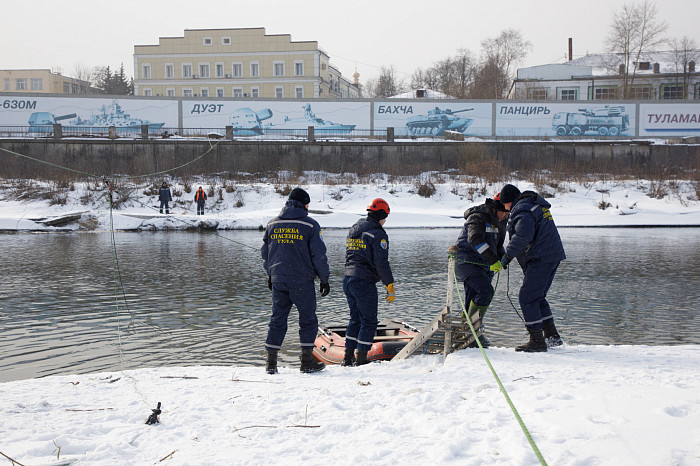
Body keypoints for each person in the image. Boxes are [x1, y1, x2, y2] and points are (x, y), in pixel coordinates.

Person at [261, 187, 330, 374]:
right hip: (302, 281)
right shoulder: (310, 225)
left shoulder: (272, 224)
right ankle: (306, 361)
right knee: (307, 320)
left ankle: (271, 364)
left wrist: (270, 275)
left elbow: (266, 255)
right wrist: (324, 279)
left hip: (278, 281)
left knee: (277, 319)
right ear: (305, 204)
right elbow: (319, 256)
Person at [498, 184, 566, 352]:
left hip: (541, 257)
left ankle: (537, 341)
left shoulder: (522, 210)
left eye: (505, 204)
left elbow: (523, 236)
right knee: (538, 297)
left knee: (527, 297)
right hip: (551, 255)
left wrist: (507, 256)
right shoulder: (534, 205)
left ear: (510, 201)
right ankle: (552, 336)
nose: (505, 208)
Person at [341, 198, 395, 367]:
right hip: (363, 282)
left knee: (355, 319)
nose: (385, 220)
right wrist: (389, 284)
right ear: (380, 215)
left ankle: (348, 357)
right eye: (386, 216)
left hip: (348, 279)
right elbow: (381, 263)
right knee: (369, 321)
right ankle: (362, 358)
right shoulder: (377, 234)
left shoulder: (355, 230)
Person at [449, 198, 508, 347]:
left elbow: (498, 244)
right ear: (496, 209)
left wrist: (503, 259)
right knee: (486, 291)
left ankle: (464, 333)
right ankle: (472, 331)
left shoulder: (500, 221)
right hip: (468, 263)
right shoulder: (477, 217)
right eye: (505, 212)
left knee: (472, 299)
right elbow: (475, 239)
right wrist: (492, 260)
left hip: (485, 266)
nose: (507, 216)